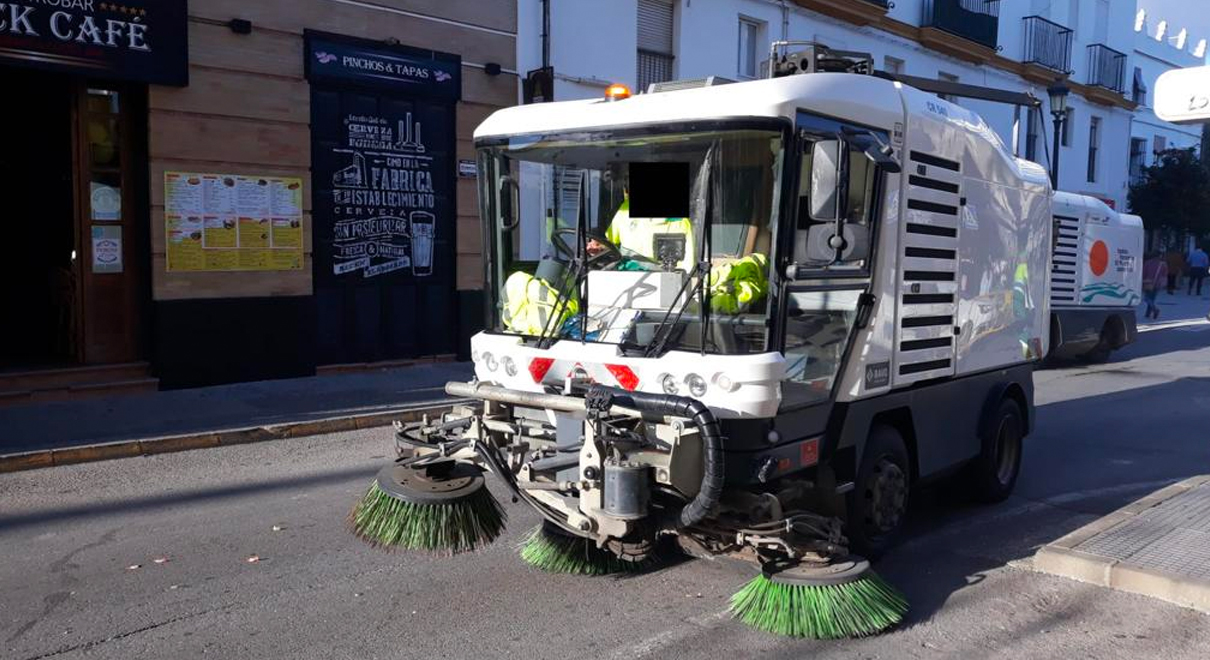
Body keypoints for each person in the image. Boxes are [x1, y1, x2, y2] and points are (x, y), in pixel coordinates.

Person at [1141, 251, 1168, 320]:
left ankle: (1154, 309)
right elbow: (1164, 274)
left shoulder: (1147, 263)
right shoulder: (1163, 264)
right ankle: (1148, 313)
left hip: (1148, 282)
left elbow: (1144, 273)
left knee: (1147, 298)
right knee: (1152, 298)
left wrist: (1142, 281)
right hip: (1157, 283)